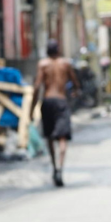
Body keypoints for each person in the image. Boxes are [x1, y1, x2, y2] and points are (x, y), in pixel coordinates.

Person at [33, 39, 78, 187]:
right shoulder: (65, 63)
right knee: (63, 137)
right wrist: (75, 92)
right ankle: (60, 167)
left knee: (50, 137)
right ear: (58, 50)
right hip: (61, 100)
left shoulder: (43, 64)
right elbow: (75, 82)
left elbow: (37, 86)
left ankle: (54, 167)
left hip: (47, 101)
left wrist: (32, 106)